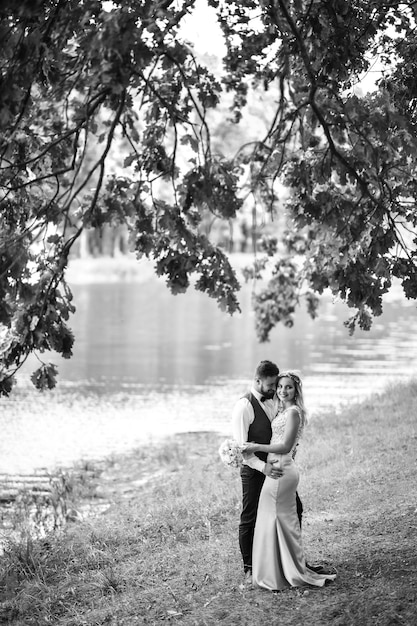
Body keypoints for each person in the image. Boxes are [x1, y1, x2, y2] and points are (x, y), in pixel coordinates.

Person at [243, 371, 337, 591]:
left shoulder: (294, 412)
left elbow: (286, 446)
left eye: (288, 387)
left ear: (296, 391)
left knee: (277, 520)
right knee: (277, 521)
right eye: (280, 387)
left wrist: (255, 447)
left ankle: (284, 572)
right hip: (277, 468)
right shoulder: (283, 410)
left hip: (281, 471)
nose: (282, 391)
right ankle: (279, 569)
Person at [231, 360, 283, 582]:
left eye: (276, 385)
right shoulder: (244, 407)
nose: (275, 390)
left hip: (277, 467)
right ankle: (249, 567)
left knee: (289, 509)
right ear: (257, 381)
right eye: (271, 385)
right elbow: (242, 450)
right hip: (254, 471)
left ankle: (286, 558)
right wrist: (264, 468)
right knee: (249, 517)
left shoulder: (275, 399)